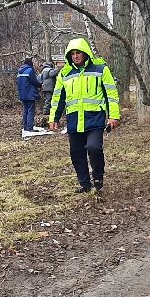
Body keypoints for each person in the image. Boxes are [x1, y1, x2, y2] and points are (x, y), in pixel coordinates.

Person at [48, 38, 121, 193]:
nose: (76, 56)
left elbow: (111, 94)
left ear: (85, 53)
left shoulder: (100, 69)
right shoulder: (65, 74)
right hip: (74, 120)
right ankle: (84, 184)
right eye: (73, 53)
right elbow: (58, 98)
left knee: (94, 147)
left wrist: (113, 116)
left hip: (95, 119)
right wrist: (53, 118)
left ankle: (98, 176)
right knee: (76, 153)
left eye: (78, 53)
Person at [16, 56, 45, 137]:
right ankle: (29, 127)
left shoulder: (20, 71)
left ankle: (25, 126)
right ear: (30, 63)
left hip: (22, 94)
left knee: (25, 110)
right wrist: (40, 85)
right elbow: (34, 81)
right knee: (31, 110)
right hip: (29, 94)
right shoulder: (30, 70)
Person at [38, 61, 60, 128]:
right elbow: (52, 74)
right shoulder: (48, 69)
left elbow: (39, 79)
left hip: (45, 87)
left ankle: (47, 110)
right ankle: (46, 111)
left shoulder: (43, 70)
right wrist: (58, 69)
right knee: (49, 99)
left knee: (47, 99)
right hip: (49, 87)